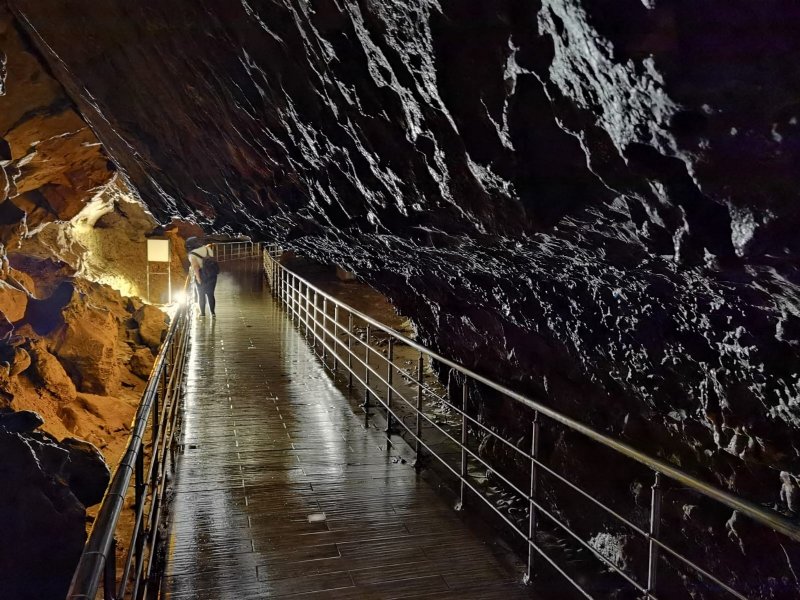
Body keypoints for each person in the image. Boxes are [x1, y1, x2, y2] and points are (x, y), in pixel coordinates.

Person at [188, 241, 217, 317]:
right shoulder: (208, 249)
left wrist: (198, 278)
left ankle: (202, 313)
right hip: (212, 274)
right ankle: (213, 313)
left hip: (201, 275)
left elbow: (195, 267)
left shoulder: (192, 254)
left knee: (201, 295)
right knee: (210, 294)